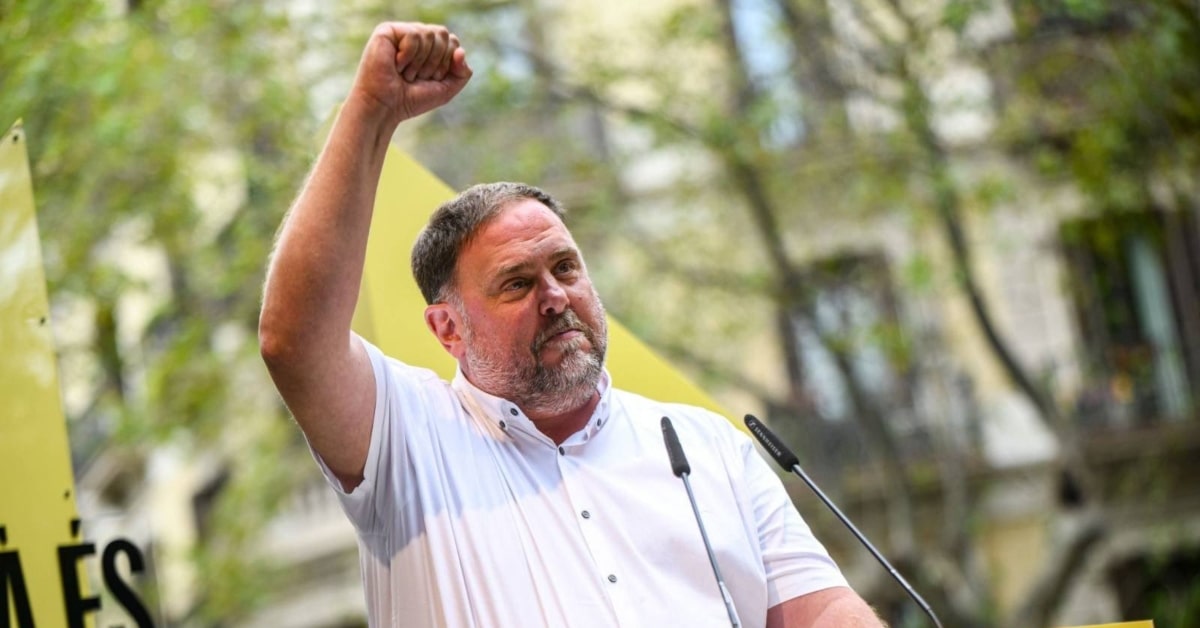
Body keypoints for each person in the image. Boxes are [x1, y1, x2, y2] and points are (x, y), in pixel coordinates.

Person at [259, 21, 883, 628]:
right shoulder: (405, 439)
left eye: (565, 267)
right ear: (448, 329)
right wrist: (371, 110)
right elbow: (293, 340)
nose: (555, 296)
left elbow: (821, 610)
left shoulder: (707, 448)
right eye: (517, 283)